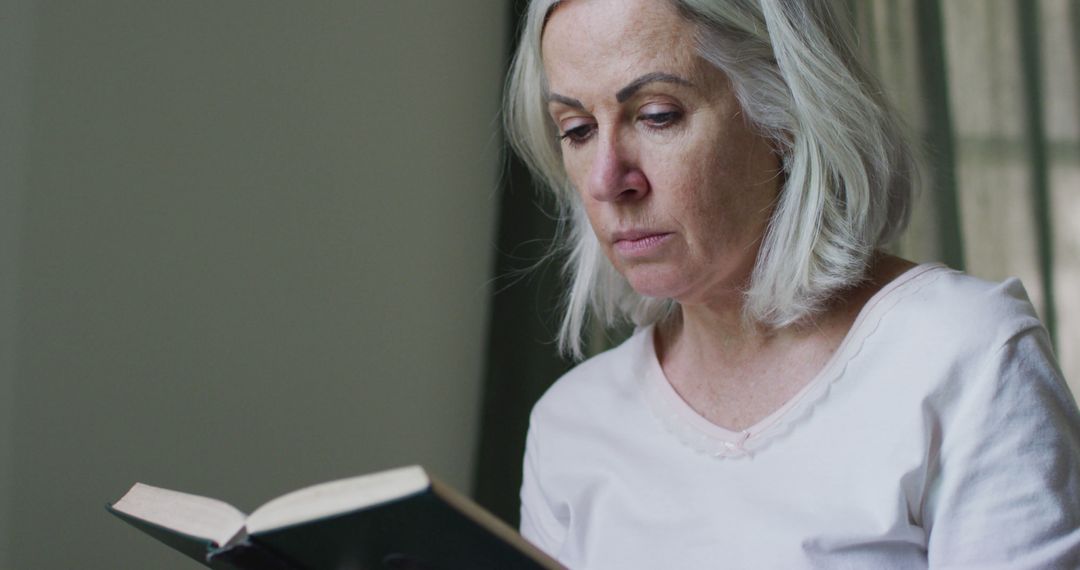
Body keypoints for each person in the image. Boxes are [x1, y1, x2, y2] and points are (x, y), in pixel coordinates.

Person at [503, 0, 1080, 568]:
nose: (607, 180)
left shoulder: (964, 357)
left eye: (657, 116)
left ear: (784, 112)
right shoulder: (571, 424)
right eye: (577, 130)